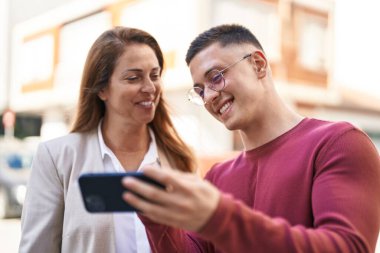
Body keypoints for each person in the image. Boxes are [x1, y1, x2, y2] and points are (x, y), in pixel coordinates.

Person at [121, 24, 380, 253]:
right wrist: (157, 221)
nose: (209, 97)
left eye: (216, 77)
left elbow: (347, 247)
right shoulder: (217, 177)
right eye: (199, 91)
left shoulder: (339, 143)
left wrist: (218, 216)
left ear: (258, 64)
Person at [19, 26, 196, 253]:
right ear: (102, 89)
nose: (150, 87)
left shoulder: (180, 161)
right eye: (134, 78)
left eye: (155, 75)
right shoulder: (57, 159)